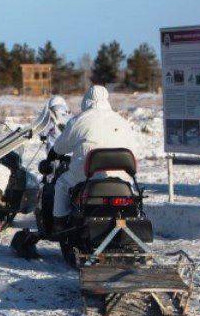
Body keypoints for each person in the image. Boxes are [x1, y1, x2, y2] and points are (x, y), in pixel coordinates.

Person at [49, 86, 139, 228]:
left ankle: (59, 222)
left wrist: (53, 154)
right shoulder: (121, 121)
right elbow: (135, 150)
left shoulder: (78, 121)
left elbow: (60, 147)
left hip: (86, 176)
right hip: (122, 177)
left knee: (62, 183)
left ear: (86, 100)